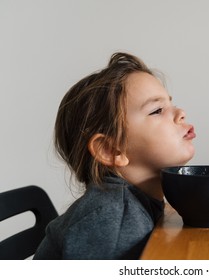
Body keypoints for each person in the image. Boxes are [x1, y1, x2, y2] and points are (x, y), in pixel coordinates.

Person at [33, 52, 196, 259]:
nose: (180, 112)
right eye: (157, 110)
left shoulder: (133, 204)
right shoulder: (112, 220)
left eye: (171, 104)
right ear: (111, 150)